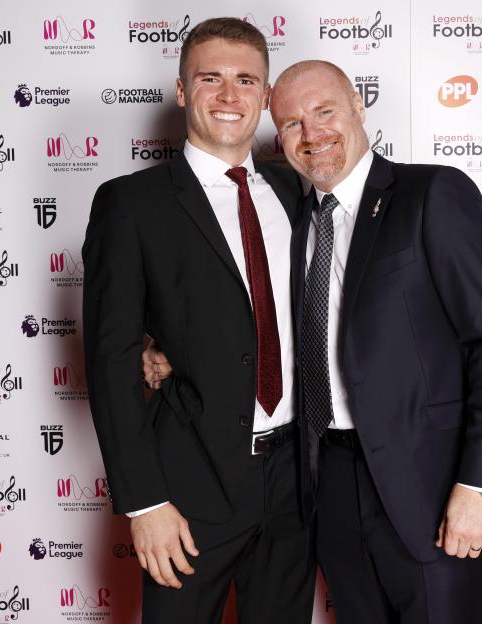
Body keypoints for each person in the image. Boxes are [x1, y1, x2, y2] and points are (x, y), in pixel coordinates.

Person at [271, 60, 482, 623]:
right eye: (291, 123)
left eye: (324, 111)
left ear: (358, 107)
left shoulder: (432, 192)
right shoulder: (291, 221)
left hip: (431, 486)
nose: (311, 133)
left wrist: (481, 485)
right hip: (331, 484)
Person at [82, 18, 314, 624]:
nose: (229, 95)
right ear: (183, 90)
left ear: (267, 96)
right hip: (188, 486)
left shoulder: (300, 191)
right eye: (210, 78)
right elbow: (110, 361)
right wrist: (144, 503)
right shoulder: (131, 204)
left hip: (296, 482)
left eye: (246, 81)